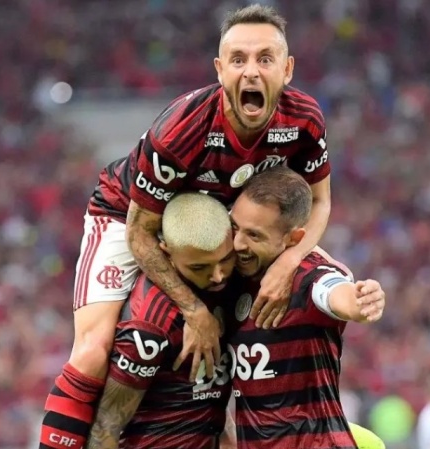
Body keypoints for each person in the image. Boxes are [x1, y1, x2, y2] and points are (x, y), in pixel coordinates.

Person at [39, 5, 334, 446]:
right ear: (220, 70)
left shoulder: (304, 119)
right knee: (94, 348)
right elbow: (141, 232)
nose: (251, 71)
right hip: (128, 213)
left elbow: (320, 202)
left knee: (298, 285)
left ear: (287, 69)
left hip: (216, 227)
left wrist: (288, 263)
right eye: (238, 59)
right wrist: (194, 311)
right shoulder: (183, 128)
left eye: (265, 58)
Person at [226, 166, 386, 449]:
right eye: (235, 227)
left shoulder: (308, 277)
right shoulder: (228, 278)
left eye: (254, 235)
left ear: (294, 239)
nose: (238, 244)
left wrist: (360, 301)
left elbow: (335, 293)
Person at [83, 193, 240, 449]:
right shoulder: (150, 324)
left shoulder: (226, 290)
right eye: (199, 267)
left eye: (225, 259)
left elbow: (204, 398)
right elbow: (106, 426)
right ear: (166, 254)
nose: (217, 276)